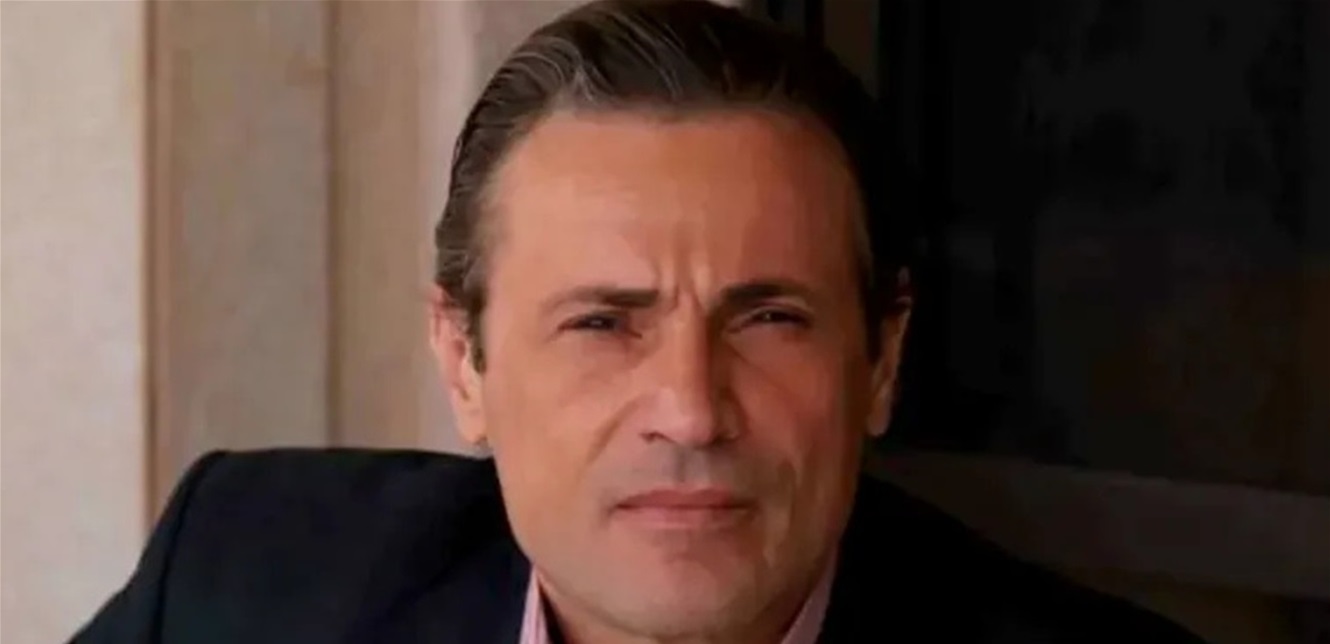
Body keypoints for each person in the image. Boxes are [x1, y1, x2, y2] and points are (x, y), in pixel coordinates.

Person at [73, 1, 1204, 642]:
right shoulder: (238, 582)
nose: (691, 410)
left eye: (769, 316)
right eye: (603, 323)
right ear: (463, 361)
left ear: (881, 359)